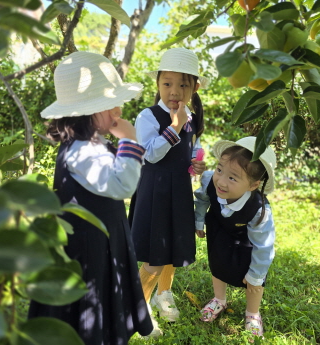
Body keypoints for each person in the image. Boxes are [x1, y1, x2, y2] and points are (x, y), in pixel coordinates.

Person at [27, 51, 153, 344]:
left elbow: (124, 172)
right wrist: (130, 140)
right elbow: (123, 185)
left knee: (106, 298)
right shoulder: (81, 151)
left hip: (104, 238)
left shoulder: (92, 143)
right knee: (89, 305)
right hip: (89, 247)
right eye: (109, 105)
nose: (118, 109)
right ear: (85, 113)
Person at [128, 47, 209, 335]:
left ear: (194, 87)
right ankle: (138, 308)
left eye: (183, 84)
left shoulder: (192, 116)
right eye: (167, 83)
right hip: (155, 193)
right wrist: (174, 128)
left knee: (172, 250)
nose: (174, 91)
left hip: (179, 192)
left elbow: (194, 147)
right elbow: (150, 155)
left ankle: (164, 293)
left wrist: (196, 163)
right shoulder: (148, 116)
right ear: (158, 83)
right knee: (155, 256)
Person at [194, 136, 277, 339]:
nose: (221, 181)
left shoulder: (259, 211)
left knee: (254, 282)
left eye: (233, 177)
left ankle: (252, 313)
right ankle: (219, 299)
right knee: (218, 263)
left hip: (246, 239)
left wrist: (256, 275)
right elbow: (203, 198)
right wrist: (198, 220)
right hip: (219, 230)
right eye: (220, 169)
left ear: (252, 185)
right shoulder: (209, 181)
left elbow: (264, 247)